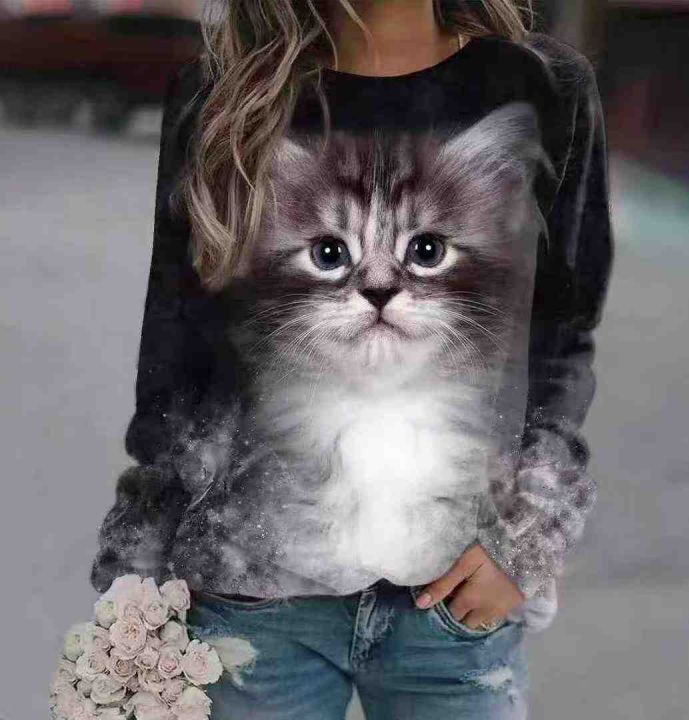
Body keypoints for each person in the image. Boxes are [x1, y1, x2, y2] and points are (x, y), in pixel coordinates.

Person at [90, 1, 613, 717]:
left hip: (454, 610)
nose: (379, 286)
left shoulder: (543, 87)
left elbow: (563, 339)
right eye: (335, 253)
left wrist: (525, 544)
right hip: (248, 603)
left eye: (423, 251)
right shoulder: (221, 94)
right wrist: (136, 583)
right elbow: (176, 360)